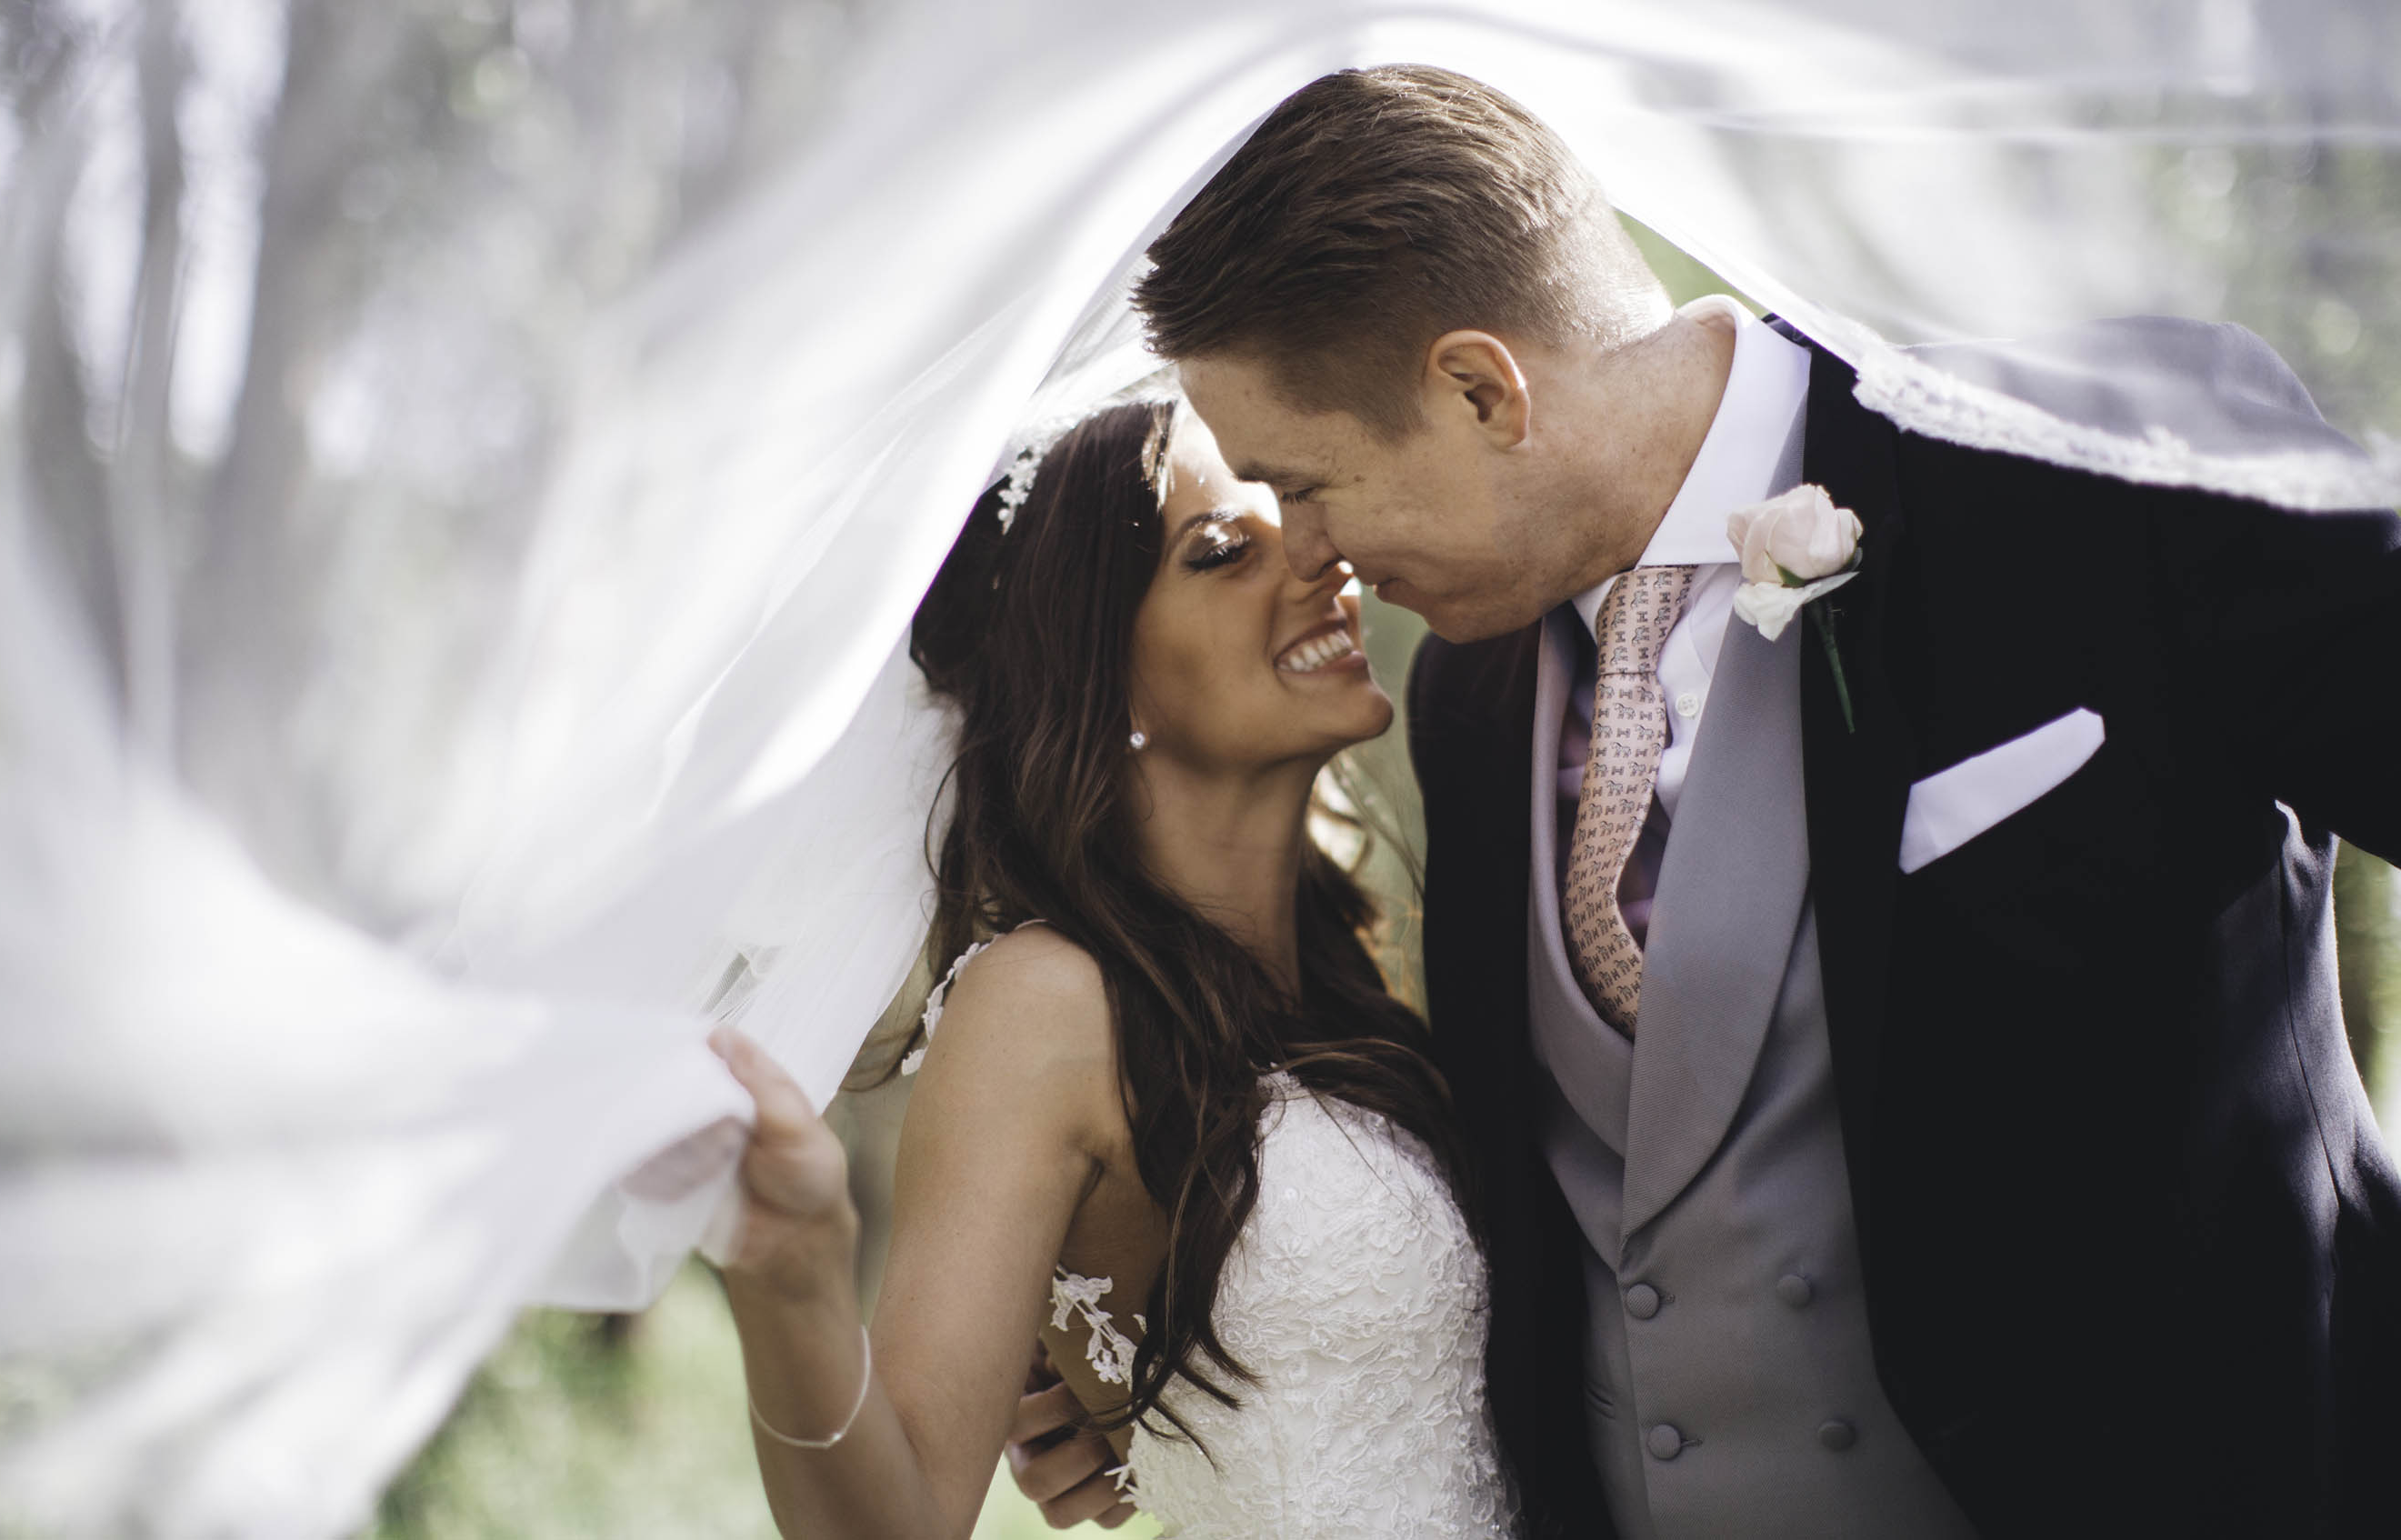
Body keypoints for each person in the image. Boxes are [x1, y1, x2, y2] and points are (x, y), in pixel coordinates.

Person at [1005, 61, 2397, 1540]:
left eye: (1311, 484)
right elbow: (1565, 1198)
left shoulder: (2089, 469)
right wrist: (1150, 1359)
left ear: (1482, 387)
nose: (1317, 557)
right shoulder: (1470, 704)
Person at [705, 395, 1519, 1537]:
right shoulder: (1042, 1005)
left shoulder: (1337, 975)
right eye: (1224, 550)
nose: (1317, 556)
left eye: (1292, 511)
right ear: (1097, 672)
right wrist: (791, 1278)